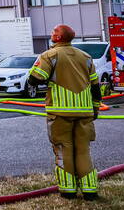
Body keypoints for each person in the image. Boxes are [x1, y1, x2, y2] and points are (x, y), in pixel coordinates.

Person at [28, 24, 102, 199]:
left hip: (60, 112)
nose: (52, 34)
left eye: (54, 32)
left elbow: (35, 78)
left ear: (59, 37)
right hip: (85, 112)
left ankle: (68, 190)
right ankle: (90, 190)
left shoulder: (49, 55)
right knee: (83, 150)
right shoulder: (85, 57)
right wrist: (96, 107)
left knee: (64, 150)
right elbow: (95, 86)